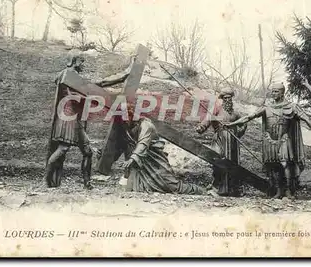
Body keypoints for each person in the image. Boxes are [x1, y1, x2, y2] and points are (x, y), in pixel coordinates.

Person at [45, 54, 134, 189]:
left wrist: (126, 73)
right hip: (68, 118)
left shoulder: (77, 78)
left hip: (77, 119)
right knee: (63, 149)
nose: (83, 64)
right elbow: (71, 96)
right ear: (74, 61)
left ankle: (87, 183)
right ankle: (47, 180)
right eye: (81, 61)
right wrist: (90, 98)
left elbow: (101, 83)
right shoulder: (67, 74)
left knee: (87, 152)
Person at [225, 83, 311, 199]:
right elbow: (249, 117)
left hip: (284, 139)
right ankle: (279, 191)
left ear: (282, 92)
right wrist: (232, 124)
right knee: (273, 166)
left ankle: (289, 191)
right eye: (272, 91)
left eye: (276, 91)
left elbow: (307, 119)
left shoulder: (291, 107)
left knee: (285, 164)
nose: (273, 94)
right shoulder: (266, 107)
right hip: (270, 140)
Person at [122, 105, 208, 195]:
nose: (125, 121)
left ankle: (200, 190)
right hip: (143, 161)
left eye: (127, 117)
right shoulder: (130, 127)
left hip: (156, 160)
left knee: (171, 186)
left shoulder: (146, 125)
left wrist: (133, 158)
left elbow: (143, 144)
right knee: (135, 188)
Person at [196, 88, 247, 196]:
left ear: (232, 99)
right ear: (222, 100)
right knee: (218, 161)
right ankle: (218, 186)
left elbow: (244, 123)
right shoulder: (217, 109)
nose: (227, 100)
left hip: (232, 141)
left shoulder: (235, 113)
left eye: (229, 98)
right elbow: (208, 119)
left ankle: (233, 188)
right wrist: (201, 127)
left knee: (232, 164)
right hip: (220, 139)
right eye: (225, 98)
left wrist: (238, 132)